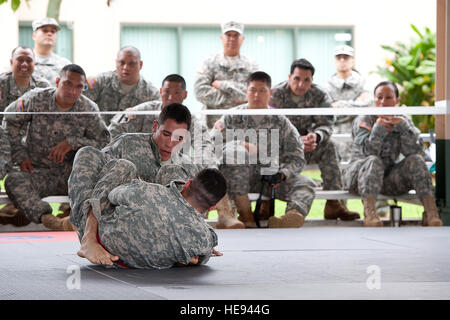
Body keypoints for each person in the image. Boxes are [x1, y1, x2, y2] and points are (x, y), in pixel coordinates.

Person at [2, 64, 110, 230]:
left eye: (79, 86)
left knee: (101, 182)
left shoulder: (88, 109)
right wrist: (20, 154)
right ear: (58, 81)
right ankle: (50, 219)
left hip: (71, 176)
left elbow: (104, 144)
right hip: (38, 171)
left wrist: (72, 142)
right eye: (68, 83)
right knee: (13, 180)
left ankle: (69, 214)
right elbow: (10, 122)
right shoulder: (37, 99)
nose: (73, 91)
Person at [68, 103, 203, 235]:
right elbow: (95, 170)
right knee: (86, 153)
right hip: (112, 221)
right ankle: (87, 233)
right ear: (155, 127)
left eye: (178, 138)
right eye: (166, 134)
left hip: (157, 234)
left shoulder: (186, 168)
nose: (169, 144)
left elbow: (193, 209)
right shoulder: (127, 143)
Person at [211, 71, 316, 228]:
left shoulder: (280, 121)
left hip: (268, 179)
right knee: (235, 152)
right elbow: (212, 143)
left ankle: (291, 217)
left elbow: (297, 156)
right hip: (236, 180)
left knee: (306, 183)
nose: (256, 95)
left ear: (270, 93)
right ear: (246, 92)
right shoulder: (231, 117)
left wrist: (282, 174)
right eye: (252, 90)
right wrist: (239, 144)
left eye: (262, 90)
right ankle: (245, 215)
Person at [70, 164, 225, 269]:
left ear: (187, 183)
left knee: (123, 165)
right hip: (129, 266)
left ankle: (87, 239)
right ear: (212, 207)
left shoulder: (146, 190)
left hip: (101, 241)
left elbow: (112, 195)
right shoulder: (203, 237)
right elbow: (202, 257)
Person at [270, 58, 360, 221]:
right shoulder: (275, 94)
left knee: (329, 145)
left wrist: (316, 136)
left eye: (306, 80)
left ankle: (334, 203)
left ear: (312, 80)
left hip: (309, 146)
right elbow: (268, 127)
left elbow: (326, 124)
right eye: (296, 79)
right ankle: (265, 204)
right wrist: (295, 143)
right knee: (264, 147)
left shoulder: (319, 95)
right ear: (289, 76)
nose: (301, 85)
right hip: (282, 148)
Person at [344, 81, 442, 227]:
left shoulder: (402, 119)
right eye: (379, 97)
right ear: (374, 100)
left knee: (415, 160)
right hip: (358, 179)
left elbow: (416, 152)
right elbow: (367, 153)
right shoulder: (364, 120)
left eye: (388, 97)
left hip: (387, 180)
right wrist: (378, 129)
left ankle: (431, 213)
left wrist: (402, 127)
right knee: (373, 160)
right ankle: (370, 214)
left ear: (397, 100)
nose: (383, 102)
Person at [108, 74, 217, 168]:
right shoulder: (146, 111)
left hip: (173, 168)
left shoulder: (190, 120)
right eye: (167, 92)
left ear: (185, 95)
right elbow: (114, 129)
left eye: (176, 93)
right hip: (141, 164)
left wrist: (206, 170)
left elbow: (204, 145)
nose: (170, 97)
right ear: (160, 92)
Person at [194, 21, 258, 128]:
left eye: (236, 35)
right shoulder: (210, 63)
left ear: (242, 38)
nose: (232, 39)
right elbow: (200, 91)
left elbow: (253, 93)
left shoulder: (252, 65)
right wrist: (234, 99)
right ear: (221, 37)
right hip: (214, 126)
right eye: (228, 35)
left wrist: (222, 85)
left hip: (243, 126)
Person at [83, 46, 160, 125]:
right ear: (116, 62)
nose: (126, 67)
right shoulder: (101, 82)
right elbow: (78, 102)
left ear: (140, 64)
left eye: (131, 63)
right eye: (122, 63)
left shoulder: (151, 94)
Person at [325, 45, 371, 161]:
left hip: (357, 132)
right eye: (338, 57)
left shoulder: (362, 82)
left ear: (352, 61)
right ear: (334, 61)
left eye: (346, 57)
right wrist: (354, 105)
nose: (342, 60)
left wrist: (338, 105)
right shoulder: (328, 85)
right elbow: (327, 110)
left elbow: (366, 105)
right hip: (335, 132)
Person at [0, 46, 50, 121]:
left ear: (34, 63)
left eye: (29, 60)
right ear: (11, 62)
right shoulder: (1, 83)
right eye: (20, 60)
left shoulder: (43, 86)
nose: (24, 64)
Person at [31, 18, 71, 85]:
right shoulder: (23, 62)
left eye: (53, 31)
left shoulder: (65, 65)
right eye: (45, 31)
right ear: (34, 35)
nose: (49, 34)